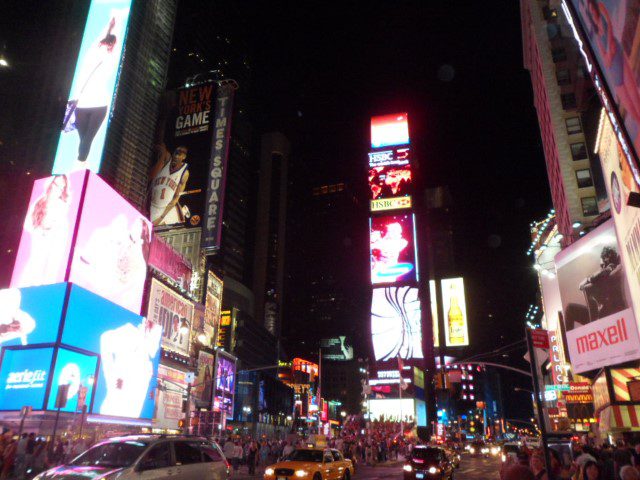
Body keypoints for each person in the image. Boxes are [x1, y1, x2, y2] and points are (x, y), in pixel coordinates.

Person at [65, 14, 125, 169]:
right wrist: (111, 27)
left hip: (96, 104)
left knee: (86, 139)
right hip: (88, 105)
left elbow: (109, 41)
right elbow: (109, 41)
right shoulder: (97, 56)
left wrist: (111, 27)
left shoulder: (101, 56)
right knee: (85, 139)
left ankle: (80, 164)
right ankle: (82, 163)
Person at [16, 174, 72, 287]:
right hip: (36, 246)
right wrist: (39, 231)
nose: (58, 190)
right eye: (57, 185)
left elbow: (61, 234)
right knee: (31, 271)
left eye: (62, 188)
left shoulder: (61, 207)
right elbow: (27, 224)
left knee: (46, 275)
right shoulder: (39, 201)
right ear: (51, 184)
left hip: (50, 249)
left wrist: (49, 232)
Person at [99, 318, 162, 417]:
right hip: (112, 411)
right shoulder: (130, 333)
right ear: (147, 327)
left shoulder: (148, 360)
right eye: (156, 335)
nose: (157, 343)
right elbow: (105, 339)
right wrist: (111, 378)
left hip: (131, 416)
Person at [149, 144, 190, 226]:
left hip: (164, 209)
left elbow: (175, 199)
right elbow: (161, 146)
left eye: (179, 154)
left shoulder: (184, 173)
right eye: (175, 153)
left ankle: (183, 211)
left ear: (184, 157)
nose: (176, 156)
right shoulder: (167, 160)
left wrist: (161, 217)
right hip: (152, 205)